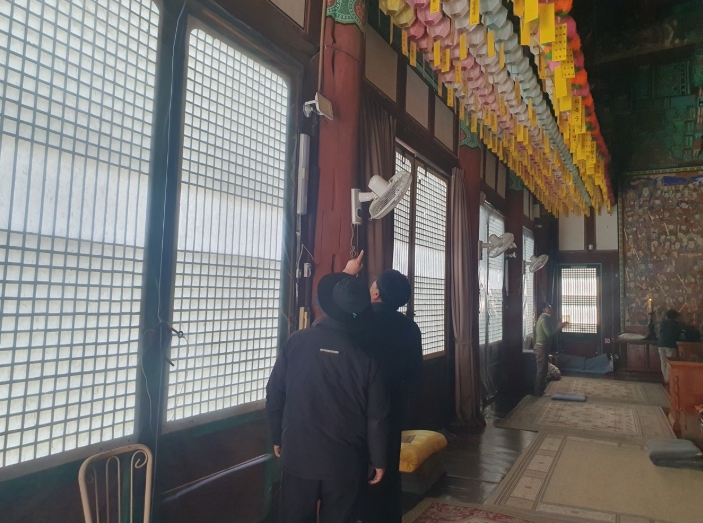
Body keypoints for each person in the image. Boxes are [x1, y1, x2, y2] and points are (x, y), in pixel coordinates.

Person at [266, 273, 390, 523]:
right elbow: (377, 416)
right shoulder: (367, 356)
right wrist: (378, 459)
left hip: (298, 454)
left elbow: (274, 393)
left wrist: (277, 436)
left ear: (325, 304)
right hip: (344, 461)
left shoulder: (295, 342)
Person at [343, 251, 423, 523]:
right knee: (387, 473)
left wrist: (348, 274)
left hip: (355, 410)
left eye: (373, 282)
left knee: (354, 473)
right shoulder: (410, 329)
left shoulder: (357, 322)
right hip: (392, 409)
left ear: (376, 293)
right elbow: (414, 374)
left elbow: (329, 304)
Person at [533, 302, 566, 396]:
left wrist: (558, 326)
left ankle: (541, 391)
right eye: (548, 307)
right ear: (544, 309)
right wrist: (558, 327)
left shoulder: (548, 318)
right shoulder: (543, 318)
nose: (551, 308)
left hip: (544, 346)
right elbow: (549, 334)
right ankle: (538, 392)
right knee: (541, 370)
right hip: (541, 347)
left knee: (544, 370)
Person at [658, 309, 682, 383]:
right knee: (670, 362)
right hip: (670, 344)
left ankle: (665, 378)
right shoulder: (676, 324)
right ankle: (668, 380)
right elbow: (679, 334)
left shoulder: (663, 323)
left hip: (661, 344)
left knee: (663, 362)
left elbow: (660, 332)